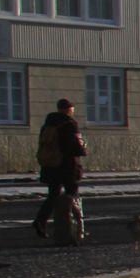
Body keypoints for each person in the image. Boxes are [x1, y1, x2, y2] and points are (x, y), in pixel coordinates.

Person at [33, 96, 86, 239]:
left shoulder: (47, 124)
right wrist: (83, 149)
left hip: (51, 165)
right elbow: (77, 148)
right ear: (69, 109)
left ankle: (40, 221)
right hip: (68, 166)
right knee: (72, 196)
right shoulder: (70, 124)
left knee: (53, 195)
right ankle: (74, 228)